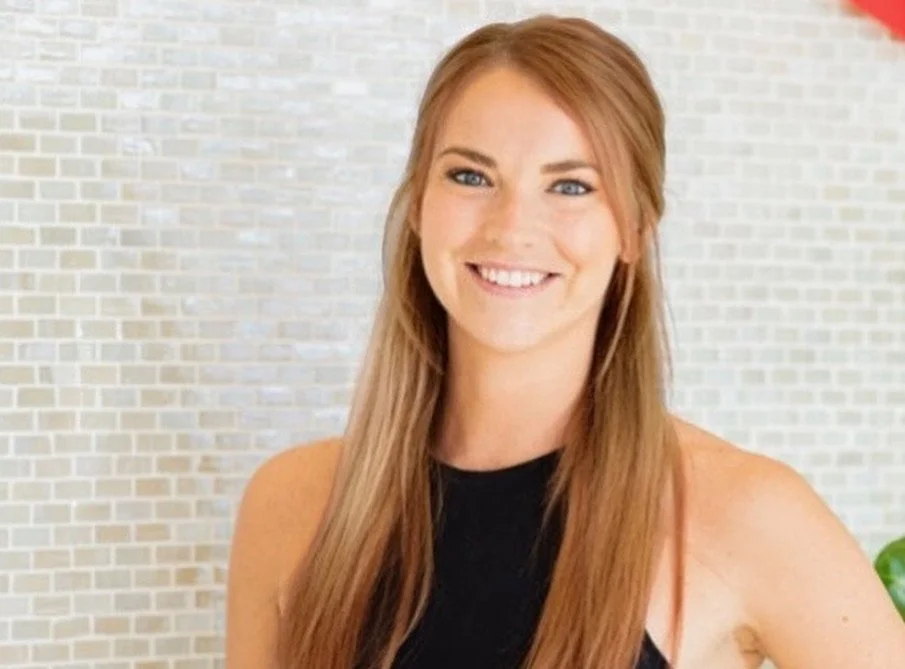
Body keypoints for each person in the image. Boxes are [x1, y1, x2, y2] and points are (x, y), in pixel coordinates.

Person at [225, 14, 905, 669]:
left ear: (634, 229)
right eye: (470, 175)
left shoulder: (744, 514)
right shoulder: (290, 504)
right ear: (418, 206)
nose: (511, 227)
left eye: (571, 186)